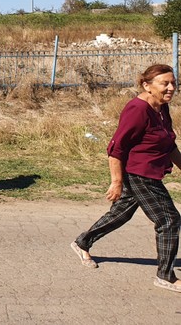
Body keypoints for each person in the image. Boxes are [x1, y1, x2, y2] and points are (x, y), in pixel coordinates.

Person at [71, 64, 181, 293]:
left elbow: (170, 145)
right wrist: (117, 182)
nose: (171, 88)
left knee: (120, 214)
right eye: (165, 83)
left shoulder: (162, 107)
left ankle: (82, 243)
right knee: (169, 220)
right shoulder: (137, 109)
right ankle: (165, 276)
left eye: (174, 83)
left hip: (149, 172)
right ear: (147, 85)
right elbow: (116, 148)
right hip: (138, 174)